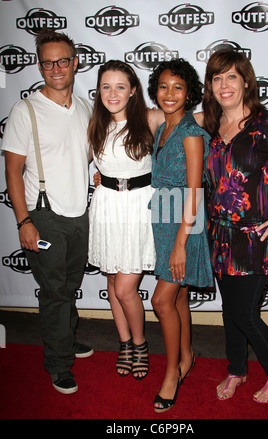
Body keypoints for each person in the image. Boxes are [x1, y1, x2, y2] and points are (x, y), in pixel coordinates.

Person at [202, 49, 268, 403]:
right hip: (219, 234)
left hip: (257, 235)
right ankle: (236, 369)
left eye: (231, 76)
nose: (224, 84)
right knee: (230, 310)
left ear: (246, 81)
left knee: (243, 312)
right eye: (217, 78)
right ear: (210, 86)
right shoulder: (212, 128)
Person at [2, 30, 93, 395]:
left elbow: (81, 156)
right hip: (44, 215)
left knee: (69, 286)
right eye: (48, 62)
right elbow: (12, 171)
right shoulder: (25, 110)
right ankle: (58, 364)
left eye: (63, 61)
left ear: (75, 62)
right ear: (40, 66)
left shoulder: (86, 106)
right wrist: (23, 221)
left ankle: (66, 339)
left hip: (79, 213)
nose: (56, 69)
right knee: (55, 292)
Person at [88, 60, 163, 380]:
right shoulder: (94, 123)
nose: (113, 93)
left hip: (138, 209)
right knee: (111, 283)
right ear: (98, 91)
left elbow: (198, 120)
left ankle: (141, 344)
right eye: (106, 86)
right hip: (106, 206)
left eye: (121, 86)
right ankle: (125, 345)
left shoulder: (149, 117)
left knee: (124, 288)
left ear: (133, 90)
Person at [147, 58, 214, 412]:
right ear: (155, 91)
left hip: (184, 226)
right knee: (178, 297)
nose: (169, 94)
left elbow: (194, 192)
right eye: (163, 87)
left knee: (161, 301)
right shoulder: (163, 128)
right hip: (163, 219)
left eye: (177, 87)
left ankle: (172, 372)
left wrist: (180, 246)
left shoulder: (190, 132)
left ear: (189, 93)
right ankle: (187, 356)